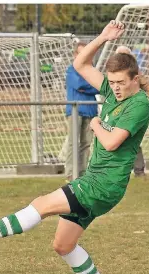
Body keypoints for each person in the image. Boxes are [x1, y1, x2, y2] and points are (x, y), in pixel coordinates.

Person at [0, 20, 149, 274]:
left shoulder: (139, 105)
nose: (115, 88)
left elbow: (112, 142)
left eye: (121, 83)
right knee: (63, 245)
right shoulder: (114, 88)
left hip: (103, 185)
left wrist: (94, 123)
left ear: (135, 79)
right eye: (112, 82)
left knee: (41, 205)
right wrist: (104, 37)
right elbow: (80, 63)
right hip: (96, 181)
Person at [115, 45, 149, 177]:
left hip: (133, 110)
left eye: (126, 55)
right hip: (116, 111)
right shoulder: (111, 72)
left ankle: (139, 171)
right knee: (115, 141)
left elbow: (147, 86)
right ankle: (117, 171)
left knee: (133, 140)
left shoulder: (136, 73)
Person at [64, 41, 99, 180]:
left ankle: (82, 173)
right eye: (81, 53)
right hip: (75, 111)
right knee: (73, 142)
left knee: (86, 143)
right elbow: (80, 85)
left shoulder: (92, 70)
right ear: (75, 55)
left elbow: (99, 86)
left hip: (91, 111)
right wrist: (92, 85)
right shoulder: (71, 70)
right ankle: (71, 173)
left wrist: (91, 86)